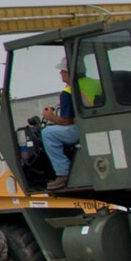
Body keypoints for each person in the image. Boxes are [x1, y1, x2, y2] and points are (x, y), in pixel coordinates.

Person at [40, 59, 90, 191]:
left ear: (70, 72)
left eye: (62, 70)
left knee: (48, 133)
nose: (60, 73)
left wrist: (50, 117)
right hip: (96, 125)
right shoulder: (95, 83)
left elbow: (66, 122)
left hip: (83, 129)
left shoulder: (69, 92)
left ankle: (63, 174)